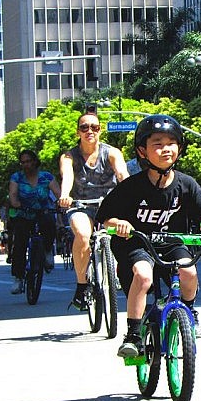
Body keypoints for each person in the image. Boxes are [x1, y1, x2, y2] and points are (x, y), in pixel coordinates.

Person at [95, 114, 201, 357]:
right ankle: (134, 336)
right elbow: (106, 216)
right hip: (138, 243)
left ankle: (190, 312)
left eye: (171, 143)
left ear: (179, 148)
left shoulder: (186, 184)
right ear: (142, 151)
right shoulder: (131, 186)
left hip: (172, 243)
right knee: (143, 275)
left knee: (188, 271)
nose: (165, 149)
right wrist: (120, 224)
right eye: (157, 144)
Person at [58, 111, 130, 309]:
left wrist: (132, 193)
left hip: (109, 205)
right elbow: (68, 177)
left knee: (125, 232)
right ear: (78, 132)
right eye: (84, 127)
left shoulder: (112, 153)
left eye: (94, 127)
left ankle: (118, 270)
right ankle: (82, 285)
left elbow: (123, 174)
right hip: (80, 205)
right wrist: (65, 195)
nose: (90, 131)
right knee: (82, 234)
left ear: (100, 130)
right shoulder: (69, 156)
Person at [9, 150, 61, 294]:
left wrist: (62, 202)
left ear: (35, 161)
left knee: (49, 223)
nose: (26, 165)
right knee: (19, 243)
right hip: (24, 213)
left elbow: (58, 193)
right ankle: (18, 278)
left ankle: (48, 250)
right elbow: (13, 195)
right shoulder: (16, 177)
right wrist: (17, 204)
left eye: (28, 161)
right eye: (23, 162)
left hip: (42, 211)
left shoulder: (46, 177)